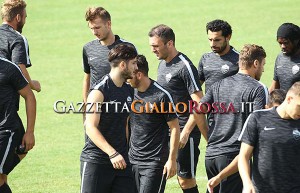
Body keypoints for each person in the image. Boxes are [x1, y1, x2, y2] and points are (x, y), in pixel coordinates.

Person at [200, 44, 268, 193]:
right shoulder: (258, 88)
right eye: (263, 64)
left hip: (211, 156)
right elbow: (258, 123)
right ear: (256, 63)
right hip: (234, 158)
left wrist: (209, 137)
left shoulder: (218, 84)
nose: (263, 69)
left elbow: (198, 110)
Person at [149, 24, 208, 193]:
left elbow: (199, 103)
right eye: (151, 46)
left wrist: (187, 131)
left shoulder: (185, 66)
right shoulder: (162, 64)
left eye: (156, 46)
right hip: (165, 131)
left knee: (185, 179)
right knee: (160, 173)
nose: (153, 50)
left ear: (170, 44)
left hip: (184, 131)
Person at [80, 43, 138, 193]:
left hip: (121, 161)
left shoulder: (128, 90)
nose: (136, 68)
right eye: (133, 63)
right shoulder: (99, 91)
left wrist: (124, 152)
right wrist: (112, 153)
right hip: (97, 161)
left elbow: (125, 123)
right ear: (123, 65)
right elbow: (90, 126)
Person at [206, 88, 286, 193]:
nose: (277, 113)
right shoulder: (258, 123)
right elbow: (243, 156)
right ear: (266, 108)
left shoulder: (294, 126)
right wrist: (220, 177)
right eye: (274, 109)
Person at [128, 55, 180, 193]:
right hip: (132, 159)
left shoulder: (161, 95)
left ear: (139, 75)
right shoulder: (129, 92)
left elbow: (175, 128)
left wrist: (172, 160)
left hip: (154, 162)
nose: (127, 80)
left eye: (130, 76)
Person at [238, 81, 300, 193]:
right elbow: (243, 156)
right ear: (289, 99)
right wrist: (247, 183)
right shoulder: (258, 117)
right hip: (262, 189)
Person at [82, 6, 135, 111]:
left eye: (97, 28)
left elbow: (135, 77)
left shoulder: (128, 48)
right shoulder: (88, 48)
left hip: (122, 109)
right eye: (91, 28)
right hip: (97, 109)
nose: (94, 32)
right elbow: (87, 78)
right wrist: (86, 107)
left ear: (109, 24)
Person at [0, 57, 36, 193]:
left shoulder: (8, 68)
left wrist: (30, 132)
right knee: (2, 178)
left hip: (7, 130)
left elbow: (29, 96)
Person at [0, 0, 41, 92]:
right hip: (7, 96)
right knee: (30, 97)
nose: (25, 21)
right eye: (25, 17)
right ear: (18, 18)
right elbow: (19, 67)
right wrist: (33, 84)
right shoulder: (18, 38)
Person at [198, 19, 239, 93]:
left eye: (217, 40)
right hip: (210, 105)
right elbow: (196, 87)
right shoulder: (205, 58)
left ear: (228, 37)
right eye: (210, 40)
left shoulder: (240, 59)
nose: (212, 44)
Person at [269, 23, 300, 93]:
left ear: (296, 41)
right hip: (283, 103)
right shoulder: (280, 57)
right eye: (280, 43)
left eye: (286, 43)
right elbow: (274, 86)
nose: (282, 46)